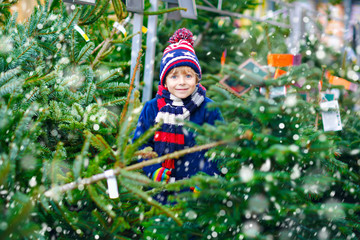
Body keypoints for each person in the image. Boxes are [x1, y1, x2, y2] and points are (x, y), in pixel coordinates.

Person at [133, 28, 222, 203]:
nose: (181, 82)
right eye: (174, 77)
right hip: (160, 192)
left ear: (197, 79)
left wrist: (207, 177)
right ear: (164, 81)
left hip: (195, 193)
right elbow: (139, 144)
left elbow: (220, 146)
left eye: (188, 75)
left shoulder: (207, 108)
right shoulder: (153, 108)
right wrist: (153, 170)